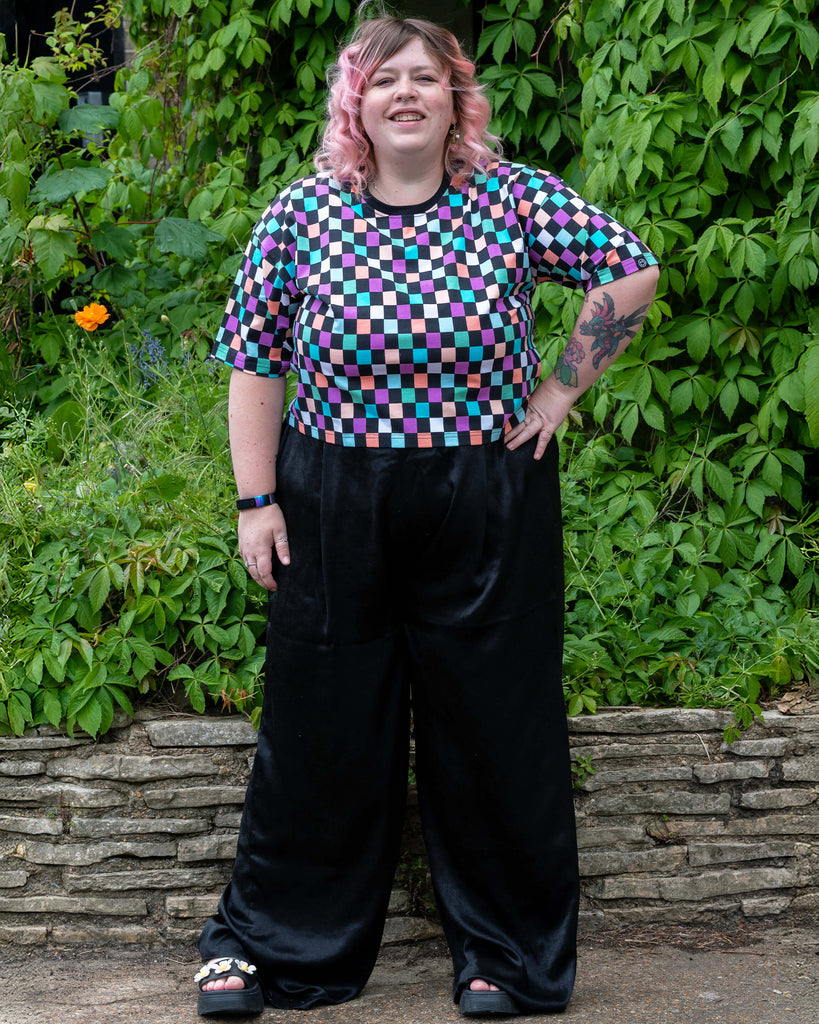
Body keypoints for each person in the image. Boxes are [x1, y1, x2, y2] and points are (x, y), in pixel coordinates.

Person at [194, 11, 659, 1020]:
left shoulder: (512, 201)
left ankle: (507, 958)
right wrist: (256, 501)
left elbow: (631, 267)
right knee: (320, 727)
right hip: (331, 500)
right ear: (353, 101)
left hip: (485, 498)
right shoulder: (302, 216)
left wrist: (559, 391)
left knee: (496, 726)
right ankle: (268, 946)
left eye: (426, 77)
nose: (406, 91)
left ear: (457, 99)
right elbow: (256, 360)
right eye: (385, 77)